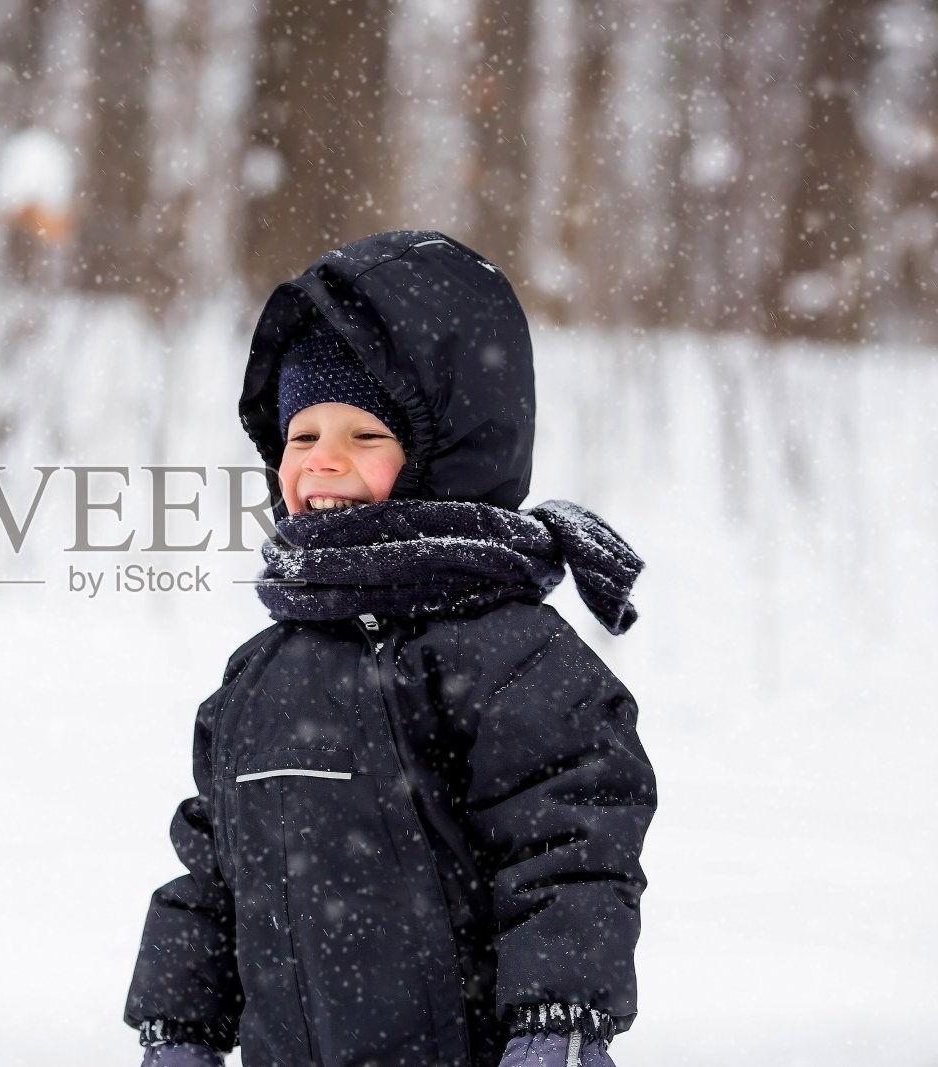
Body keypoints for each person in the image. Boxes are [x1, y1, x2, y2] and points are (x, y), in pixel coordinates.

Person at [123, 232, 656, 1067]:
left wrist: (559, 1014)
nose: (323, 461)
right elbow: (214, 873)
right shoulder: (261, 672)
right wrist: (178, 1026)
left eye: (365, 436)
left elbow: (571, 850)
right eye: (302, 438)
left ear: (442, 457)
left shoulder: (506, 654)